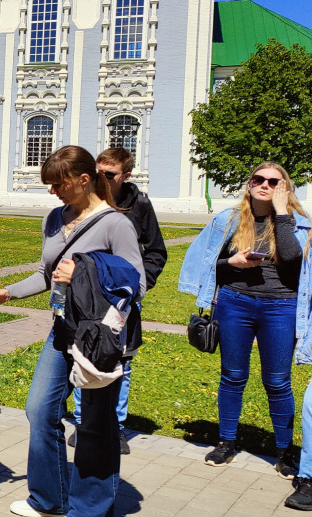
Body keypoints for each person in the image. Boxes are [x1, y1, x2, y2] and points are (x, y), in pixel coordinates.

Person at [0, 146, 145, 517]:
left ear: (84, 179)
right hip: (62, 328)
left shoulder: (115, 224)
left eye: (59, 184)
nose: (53, 192)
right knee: (40, 409)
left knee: (94, 422)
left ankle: (94, 516)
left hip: (99, 337)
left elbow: (135, 283)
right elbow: (47, 274)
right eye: (50, 185)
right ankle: (49, 498)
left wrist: (83, 274)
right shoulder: (55, 218)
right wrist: (8, 293)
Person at [178, 160, 306, 477]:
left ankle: (283, 452)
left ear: (285, 188)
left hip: (281, 307)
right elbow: (213, 267)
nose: (265, 185)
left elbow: (291, 258)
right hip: (235, 303)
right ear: (249, 184)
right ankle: (226, 442)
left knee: (277, 381)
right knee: (232, 376)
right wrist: (231, 261)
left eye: (274, 182)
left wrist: (281, 213)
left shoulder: (299, 223)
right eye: (258, 179)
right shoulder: (229, 219)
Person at [68, 147, 168, 454]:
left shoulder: (138, 205)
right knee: (83, 354)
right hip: (87, 299)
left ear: (125, 175)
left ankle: (116, 426)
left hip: (121, 301)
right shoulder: (87, 202)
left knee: (121, 360)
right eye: (98, 173)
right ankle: (83, 422)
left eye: (109, 174)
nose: (103, 179)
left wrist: (137, 286)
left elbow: (155, 252)